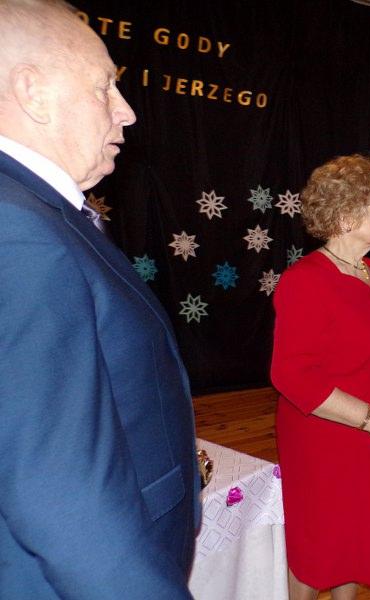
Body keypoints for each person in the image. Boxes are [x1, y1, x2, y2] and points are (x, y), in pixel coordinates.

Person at [0, 1, 199, 598]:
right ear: (33, 93)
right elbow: (60, 488)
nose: (127, 111)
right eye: (104, 86)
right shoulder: (20, 231)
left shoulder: (40, 214)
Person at [270, 154, 370, 600]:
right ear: (348, 217)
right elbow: (291, 374)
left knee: (355, 540)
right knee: (320, 547)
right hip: (329, 439)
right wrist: (369, 417)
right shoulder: (305, 281)